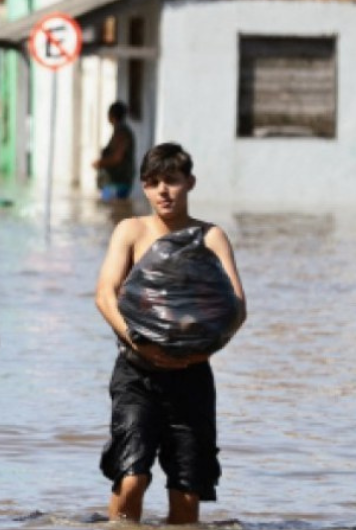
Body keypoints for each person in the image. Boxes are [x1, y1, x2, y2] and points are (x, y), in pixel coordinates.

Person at [93, 143, 247, 525]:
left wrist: (199, 353)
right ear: (143, 187)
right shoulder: (130, 231)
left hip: (192, 376)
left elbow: (237, 307)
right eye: (153, 182)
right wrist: (137, 341)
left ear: (189, 182)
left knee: (187, 494)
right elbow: (104, 295)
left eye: (172, 181)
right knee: (131, 479)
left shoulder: (210, 237)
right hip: (137, 375)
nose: (163, 190)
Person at [93, 101, 136, 201]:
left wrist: (100, 163)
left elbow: (117, 158)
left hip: (116, 183)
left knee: (110, 209)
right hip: (113, 182)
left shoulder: (122, 133)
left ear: (111, 115)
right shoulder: (119, 131)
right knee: (110, 210)